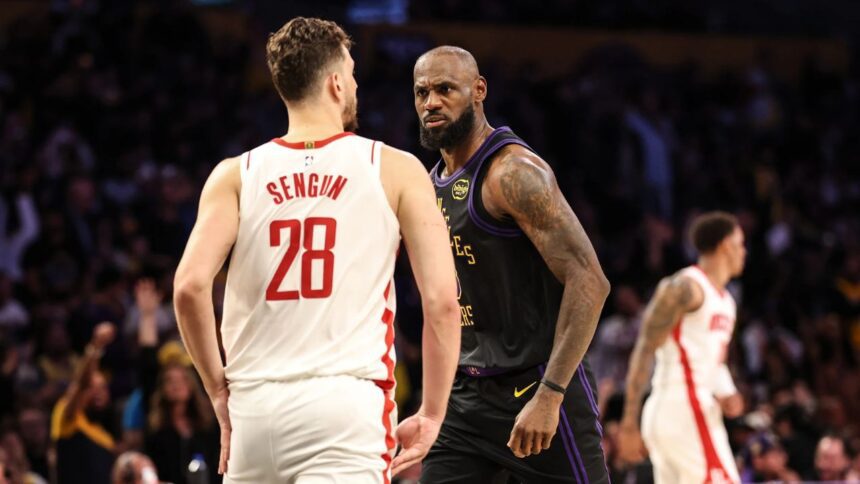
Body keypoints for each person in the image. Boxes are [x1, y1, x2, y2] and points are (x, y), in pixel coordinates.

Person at [173, 17, 460, 483]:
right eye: (351, 73)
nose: (355, 83)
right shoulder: (396, 168)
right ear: (335, 83)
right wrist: (431, 412)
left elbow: (188, 288)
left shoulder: (234, 174)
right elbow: (443, 303)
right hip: (344, 409)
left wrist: (218, 392)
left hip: (253, 411)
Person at [413, 46, 611, 483]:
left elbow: (590, 281)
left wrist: (552, 393)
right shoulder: (430, 183)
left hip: (536, 385)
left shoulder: (513, 173)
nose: (431, 103)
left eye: (445, 89)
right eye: (422, 92)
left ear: (479, 90)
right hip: (466, 396)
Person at [618, 211, 746, 483]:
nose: (744, 252)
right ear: (725, 245)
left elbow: (714, 360)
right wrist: (629, 422)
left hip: (693, 408)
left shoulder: (727, 301)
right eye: (740, 244)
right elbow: (644, 347)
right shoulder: (685, 287)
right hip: (682, 405)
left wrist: (726, 392)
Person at [50, 322, 117, 484]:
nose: (97, 392)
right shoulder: (69, 419)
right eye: (92, 388)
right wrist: (96, 346)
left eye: (102, 388)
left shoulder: (106, 438)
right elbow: (82, 383)